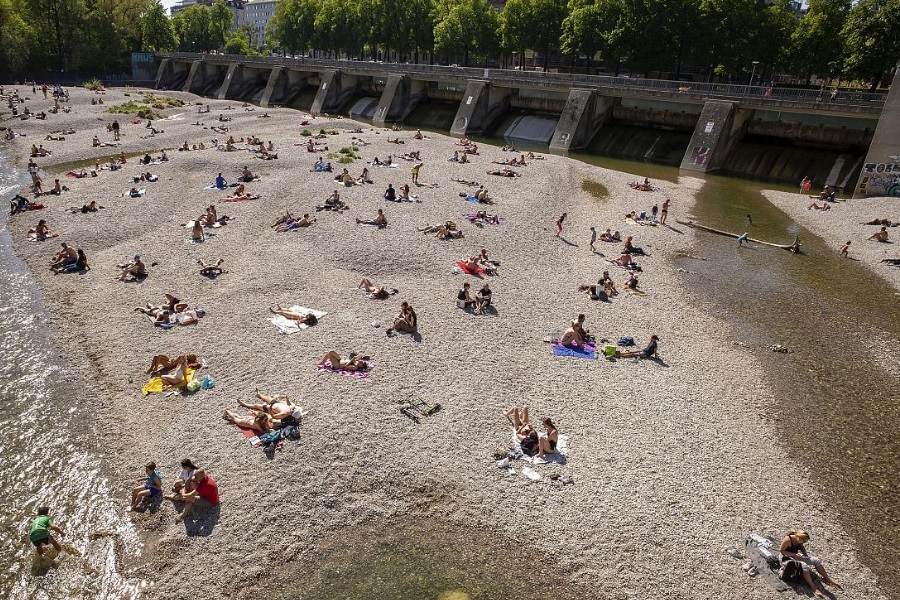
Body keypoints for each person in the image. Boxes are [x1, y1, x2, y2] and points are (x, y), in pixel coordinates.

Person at [779, 529, 841, 597]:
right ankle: (813, 586)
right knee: (804, 565)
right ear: (799, 537)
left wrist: (806, 556)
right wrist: (794, 555)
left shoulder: (799, 541)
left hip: (796, 556)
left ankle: (827, 578)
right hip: (786, 558)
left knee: (816, 560)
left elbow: (802, 548)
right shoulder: (788, 540)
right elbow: (782, 551)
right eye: (804, 541)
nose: (804, 542)